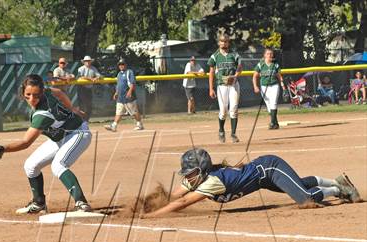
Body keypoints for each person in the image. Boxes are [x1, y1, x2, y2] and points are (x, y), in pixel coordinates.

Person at [143, 148, 362, 218]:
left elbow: (183, 203)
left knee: (305, 199)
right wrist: (151, 204)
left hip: (270, 168)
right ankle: (336, 180)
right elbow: (174, 197)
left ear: (202, 170)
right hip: (263, 178)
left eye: (190, 172)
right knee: (299, 185)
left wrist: (151, 217)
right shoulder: (199, 178)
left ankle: (338, 189)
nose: (187, 177)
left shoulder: (212, 182)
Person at [0, 74, 92, 214]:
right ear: (23, 92)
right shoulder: (46, 92)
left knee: (58, 165)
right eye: (28, 94)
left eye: (36, 95)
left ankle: (81, 203)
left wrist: (0, 149)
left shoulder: (42, 114)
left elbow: (25, 142)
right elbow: (59, 93)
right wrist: (71, 109)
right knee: (31, 165)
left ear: (42, 92)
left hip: (78, 133)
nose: (32, 99)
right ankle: (39, 203)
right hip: (60, 136)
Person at [208, 34, 243, 143]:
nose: (224, 43)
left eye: (226, 41)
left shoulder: (234, 54)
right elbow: (211, 72)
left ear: (229, 43)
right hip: (221, 85)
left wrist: (236, 76)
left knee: (233, 109)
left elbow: (240, 66)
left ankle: (233, 134)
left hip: (233, 85)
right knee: (223, 111)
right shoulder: (215, 56)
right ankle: (221, 130)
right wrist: (211, 88)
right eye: (222, 41)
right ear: (219, 42)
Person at [104, 58, 144, 132]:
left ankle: (139, 124)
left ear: (125, 65)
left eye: (122, 64)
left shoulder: (129, 72)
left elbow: (132, 83)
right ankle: (114, 126)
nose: (121, 66)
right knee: (118, 112)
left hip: (128, 97)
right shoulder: (119, 74)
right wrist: (116, 93)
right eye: (120, 65)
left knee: (134, 112)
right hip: (120, 97)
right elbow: (118, 85)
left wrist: (130, 91)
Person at [252, 48, 286, 129]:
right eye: (268, 53)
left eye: (271, 53)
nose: (270, 55)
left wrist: (283, 86)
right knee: (268, 105)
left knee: (273, 102)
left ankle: (272, 123)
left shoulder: (275, 64)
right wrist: (255, 86)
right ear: (264, 55)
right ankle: (275, 123)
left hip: (274, 86)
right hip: (264, 87)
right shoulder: (260, 64)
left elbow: (279, 76)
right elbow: (254, 76)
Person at [77, 55, 102, 121]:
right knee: (82, 104)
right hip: (81, 88)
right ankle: (81, 119)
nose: (87, 62)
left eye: (88, 61)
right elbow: (80, 77)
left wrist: (96, 77)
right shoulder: (81, 68)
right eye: (86, 61)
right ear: (84, 62)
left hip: (89, 88)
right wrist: (91, 79)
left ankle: (86, 119)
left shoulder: (93, 68)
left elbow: (99, 75)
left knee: (89, 105)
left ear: (90, 62)